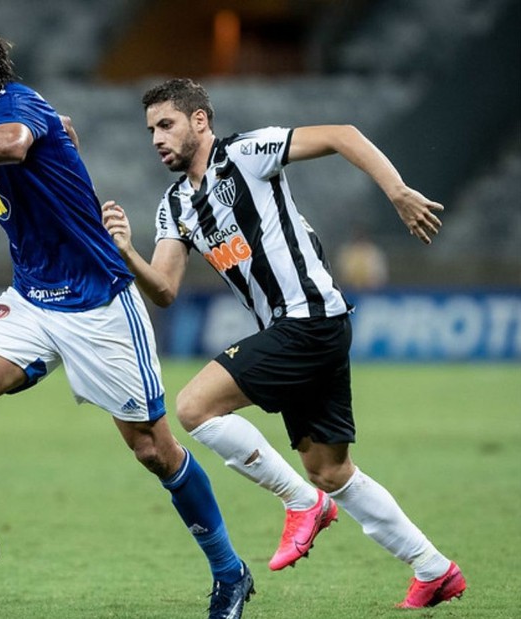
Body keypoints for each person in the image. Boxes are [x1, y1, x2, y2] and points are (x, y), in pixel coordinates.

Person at [0, 17, 253, 618]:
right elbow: (43, 145)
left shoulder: (16, 104)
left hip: (99, 303)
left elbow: (15, 143)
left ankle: (230, 570)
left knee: (154, 451)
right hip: (34, 298)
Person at [101, 77, 466, 610]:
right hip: (303, 329)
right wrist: (127, 252)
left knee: (194, 406)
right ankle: (433, 568)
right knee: (331, 470)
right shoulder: (175, 205)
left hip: (310, 318)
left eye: (166, 124)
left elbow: (342, 134)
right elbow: (164, 291)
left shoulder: (247, 154)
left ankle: (301, 503)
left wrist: (397, 191)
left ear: (199, 121)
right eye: (150, 129)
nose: (156, 138)